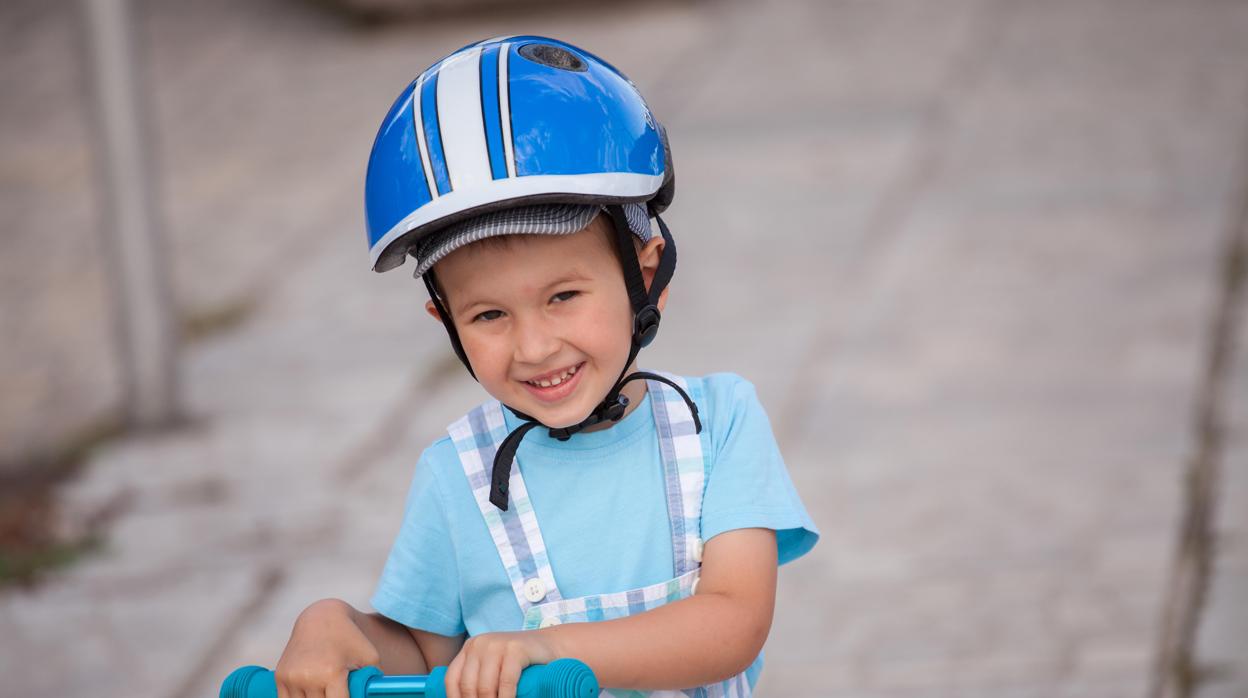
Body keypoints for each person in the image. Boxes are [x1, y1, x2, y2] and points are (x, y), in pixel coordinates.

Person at [275, 36, 818, 698]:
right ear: (445, 324)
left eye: (562, 297)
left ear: (645, 278)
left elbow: (733, 622)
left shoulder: (718, 426)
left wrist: (545, 647)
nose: (532, 348)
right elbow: (421, 652)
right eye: (488, 316)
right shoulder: (457, 477)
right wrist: (334, 625)